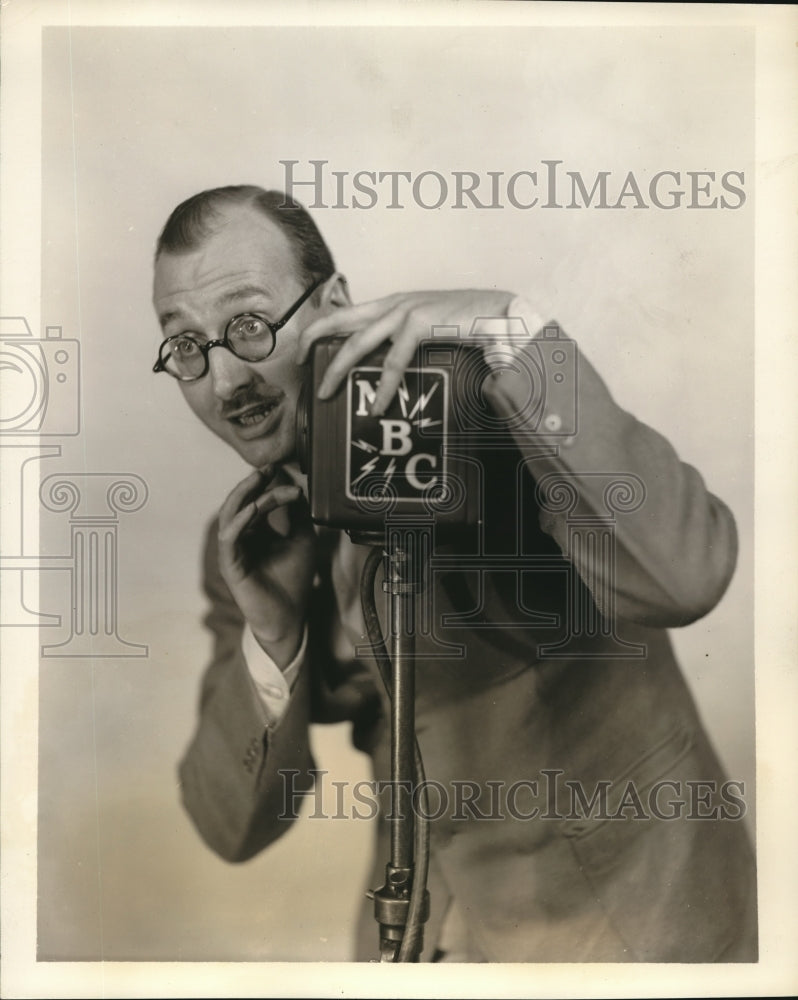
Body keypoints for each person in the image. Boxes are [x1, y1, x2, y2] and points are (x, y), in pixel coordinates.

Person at [152, 184, 757, 962]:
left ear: (333, 302)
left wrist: (518, 335)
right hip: (426, 944)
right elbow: (230, 825)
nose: (226, 382)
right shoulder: (250, 543)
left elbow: (690, 576)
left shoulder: (490, 416)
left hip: (632, 933)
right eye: (191, 347)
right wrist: (272, 640)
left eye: (248, 325)